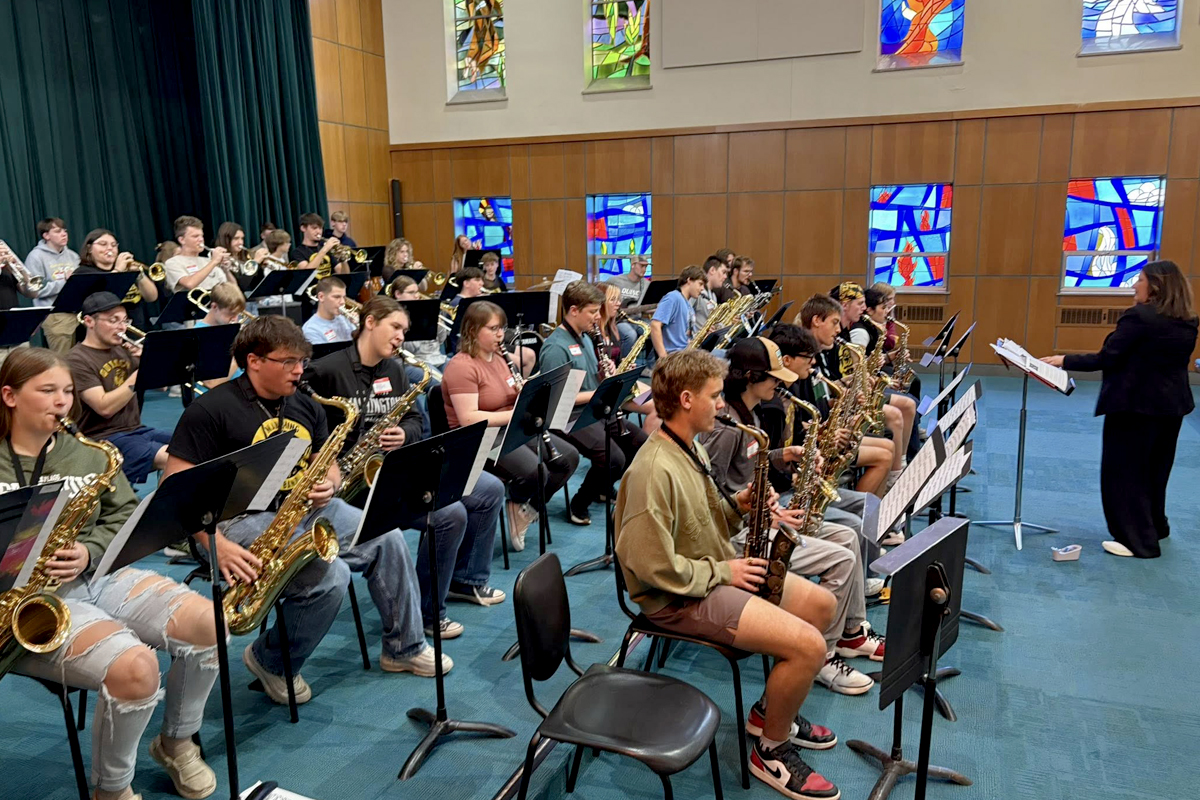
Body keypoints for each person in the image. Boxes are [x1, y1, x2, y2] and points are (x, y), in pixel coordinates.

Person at [164, 316, 449, 703]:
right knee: (331, 576)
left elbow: (324, 460)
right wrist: (213, 543)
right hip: (232, 521)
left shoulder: (304, 402)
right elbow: (172, 489)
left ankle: (404, 648)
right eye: (289, 362)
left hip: (302, 507)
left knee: (387, 535)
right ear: (254, 360)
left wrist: (329, 483)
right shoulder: (211, 410)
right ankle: (273, 661)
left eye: (302, 361)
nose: (299, 371)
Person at [614, 349, 841, 800]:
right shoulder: (652, 471)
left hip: (708, 574)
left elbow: (702, 521)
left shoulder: (689, 445)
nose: (722, 404)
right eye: (714, 396)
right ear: (684, 399)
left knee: (822, 604)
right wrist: (724, 571)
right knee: (809, 647)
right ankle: (770, 751)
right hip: (676, 599)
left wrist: (739, 505)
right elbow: (650, 567)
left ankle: (767, 712)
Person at [5, 347, 220, 800]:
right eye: (47, 391)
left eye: (67, 391)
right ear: (9, 396)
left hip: (95, 574)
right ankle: (113, 790)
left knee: (209, 624)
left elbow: (122, 516)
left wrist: (89, 550)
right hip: (20, 602)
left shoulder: (90, 454)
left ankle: (177, 742)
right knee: (136, 669)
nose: (63, 401)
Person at [304, 297, 507, 636]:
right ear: (370, 322)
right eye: (395, 327)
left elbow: (413, 418)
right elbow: (306, 429)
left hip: (390, 471)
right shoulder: (326, 371)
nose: (401, 337)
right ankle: (427, 615)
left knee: (484, 492)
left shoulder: (394, 369)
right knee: (449, 514)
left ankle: (455, 587)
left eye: (404, 331)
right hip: (347, 485)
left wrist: (404, 433)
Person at [697, 336, 884, 695]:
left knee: (847, 536)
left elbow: (748, 460)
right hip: (737, 534)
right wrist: (771, 518)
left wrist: (786, 454)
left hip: (759, 515)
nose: (780, 383)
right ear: (750, 377)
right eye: (773, 377)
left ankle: (853, 631)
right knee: (842, 559)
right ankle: (825, 656)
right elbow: (712, 494)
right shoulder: (724, 426)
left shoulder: (744, 412)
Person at [1041, 261, 1198, 558]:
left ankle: (1137, 541)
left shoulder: (1139, 317)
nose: (1133, 285)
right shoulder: (1188, 319)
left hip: (1134, 406)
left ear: (1155, 285)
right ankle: (1155, 526)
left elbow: (1108, 357)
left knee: (1125, 473)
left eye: (1139, 279)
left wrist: (1064, 359)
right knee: (1155, 469)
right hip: (1171, 405)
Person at [442, 301, 580, 552]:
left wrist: (527, 394)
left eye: (502, 328)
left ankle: (527, 509)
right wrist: (516, 414)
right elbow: (469, 419)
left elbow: (512, 397)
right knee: (534, 472)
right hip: (478, 438)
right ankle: (516, 498)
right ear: (473, 330)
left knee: (567, 458)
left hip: (508, 427)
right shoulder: (461, 366)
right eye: (493, 328)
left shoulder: (500, 357)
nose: (500, 334)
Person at [538, 281, 647, 525]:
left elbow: (589, 380)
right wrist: (601, 390)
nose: (598, 317)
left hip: (593, 409)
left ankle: (602, 486)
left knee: (639, 442)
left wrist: (605, 374)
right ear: (573, 310)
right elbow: (556, 399)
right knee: (613, 458)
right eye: (592, 312)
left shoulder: (586, 338)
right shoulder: (555, 347)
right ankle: (579, 503)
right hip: (568, 416)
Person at [67, 292, 172, 485]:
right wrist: (139, 373)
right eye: (113, 320)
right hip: (102, 437)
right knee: (174, 458)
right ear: (89, 321)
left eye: (125, 320)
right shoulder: (76, 359)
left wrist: (147, 361)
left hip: (136, 429)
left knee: (192, 446)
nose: (122, 327)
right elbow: (104, 407)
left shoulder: (122, 349)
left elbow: (161, 388)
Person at [798, 295, 893, 497]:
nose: (839, 329)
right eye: (834, 323)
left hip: (826, 431)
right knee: (884, 454)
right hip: (816, 443)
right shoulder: (802, 359)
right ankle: (860, 510)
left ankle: (874, 511)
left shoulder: (818, 353)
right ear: (816, 321)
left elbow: (819, 400)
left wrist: (841, 398)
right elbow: (800, 415)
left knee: (888, 447)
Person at [73, 228, 161, 333]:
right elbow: (103, 298)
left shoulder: (125, 269)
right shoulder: (83, 272)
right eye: (103, 244)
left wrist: (139, 275)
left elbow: (152, 297)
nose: (110, 248)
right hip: (107, 332)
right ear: (89, 248)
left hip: (138, 327)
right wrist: (118, 269)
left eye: (114, 245)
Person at [23, 217, 81, 353]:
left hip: (77, 312)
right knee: (63, 360)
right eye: (58, 231)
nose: (64, 234)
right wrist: (65, 282)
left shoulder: (73, 256)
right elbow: (35, 290)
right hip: (54, 315)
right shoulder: (36, 256)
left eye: (65, 231)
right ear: (46, 235)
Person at [194, 283, 247, 388]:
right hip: (216, 397)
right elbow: (212, 384)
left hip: (238, 389)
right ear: (214, 307)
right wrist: (241, 350)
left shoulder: (228, 327)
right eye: (230, 314)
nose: (235, 319)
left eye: (238, 314)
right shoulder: (199, 336)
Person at [163, 216, 228, 294]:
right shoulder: (173, 263)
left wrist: (226, 270)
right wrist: (214, 262)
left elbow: (228, 290)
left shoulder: (208, 261)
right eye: (195, 236)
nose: (201, 239)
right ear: (182, 240)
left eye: (201, 236)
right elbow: (190, 284)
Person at [650, 265, 703, 358]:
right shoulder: (673, 297)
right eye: (700, 284)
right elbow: (655, 325)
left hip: (686, 355)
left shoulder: (688, 304)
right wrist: (663, 357)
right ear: (689, 280)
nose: (702, 289)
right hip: (675, 357)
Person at [216, 221, 267, 297]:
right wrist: (255, 263)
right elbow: (241, 286)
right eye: (236, 238)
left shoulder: (245, 257)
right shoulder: (221, 258)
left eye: (242, 238)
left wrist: (260, 267)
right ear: (226, 239)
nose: (241, 242)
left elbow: (256, 284)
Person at [302, 276, 355, 345]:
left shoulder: (346, 319)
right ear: (321, 297)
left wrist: (360, 327)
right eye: (337, 297)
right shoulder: (311, 329)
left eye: (344, 297)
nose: (342, 302)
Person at [694, 256, 727, 329]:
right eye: (723, 272)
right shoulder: (696, 292)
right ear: (712, 270)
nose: (725, 277)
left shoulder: (713, 295)